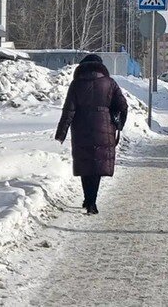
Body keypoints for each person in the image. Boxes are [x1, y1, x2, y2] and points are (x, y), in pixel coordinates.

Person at [55, 54, 128, 215]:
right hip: (104, 128)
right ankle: (92, 202)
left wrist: (61, 133)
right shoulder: (110, 83)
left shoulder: (76, 84)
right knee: (97, 166)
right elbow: (123, 106)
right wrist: (119, 123)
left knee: (85, 165)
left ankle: (88, 199)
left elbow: (69, 110)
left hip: (81, 128)